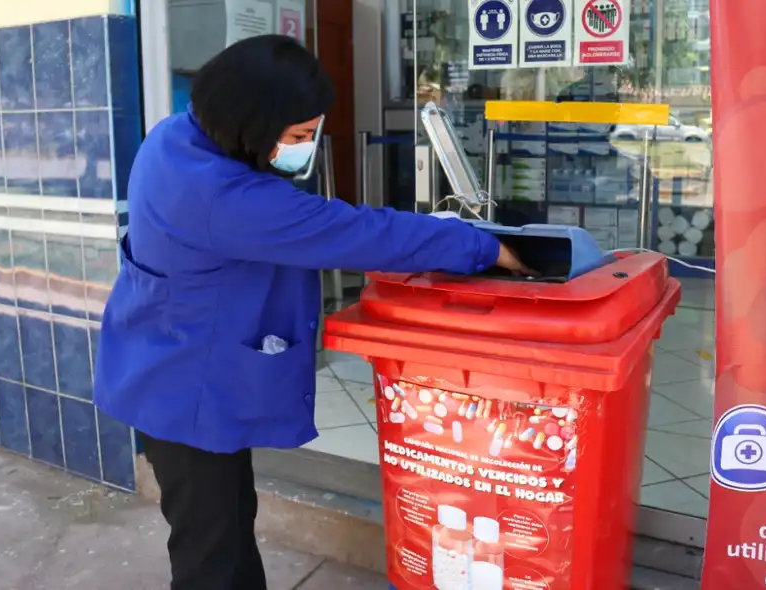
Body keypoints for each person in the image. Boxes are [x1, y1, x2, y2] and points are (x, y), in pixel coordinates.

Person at [93, 35, 531, 590]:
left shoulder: (175, 138)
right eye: (299, 135)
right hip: (187, 395)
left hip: (161, 365)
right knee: (213, 555)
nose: (306, 146)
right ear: (252, 122)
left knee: (219, 528)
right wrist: (483, 247)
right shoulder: (223, 198)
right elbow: (353, 233)